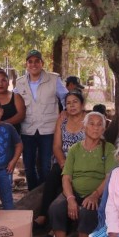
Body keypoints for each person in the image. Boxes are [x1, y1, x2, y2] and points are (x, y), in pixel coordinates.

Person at [48, 112, 116, 237]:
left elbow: (109, 177)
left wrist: (95, 195)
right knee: (55, 208)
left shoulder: (109, 149)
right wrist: (71, 198)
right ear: (84, 127)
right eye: (91, 124)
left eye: (100, 124)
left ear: (104, 129)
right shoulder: (74, 149)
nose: (95, 127)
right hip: (74, 192)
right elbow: (66, 177)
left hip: (95, 193)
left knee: (88, 211)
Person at [14, 49, 68, 190]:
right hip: (28, 130)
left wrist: (65, 112)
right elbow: (10, 100)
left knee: (45, 166)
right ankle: (33, 193)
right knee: (28, 165)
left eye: (37, 61)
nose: (33, 64)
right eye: (30, 61)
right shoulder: (20, 83)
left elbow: (65, 97)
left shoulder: (53, 79)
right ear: (26, 64)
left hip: (48, 130)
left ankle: (44, 194)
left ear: (42, 63)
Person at [33, 91, 86, 227]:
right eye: (68, 103)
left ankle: (59, 226)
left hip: (83, 163)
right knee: (52, 178)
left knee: (70, 188)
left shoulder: (89, 120)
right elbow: (56, 146)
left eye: (75, 102)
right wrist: (63, 162)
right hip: (64, 161)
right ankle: (43, 215)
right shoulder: (62, 120)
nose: (72, 105)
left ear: (82, 104)